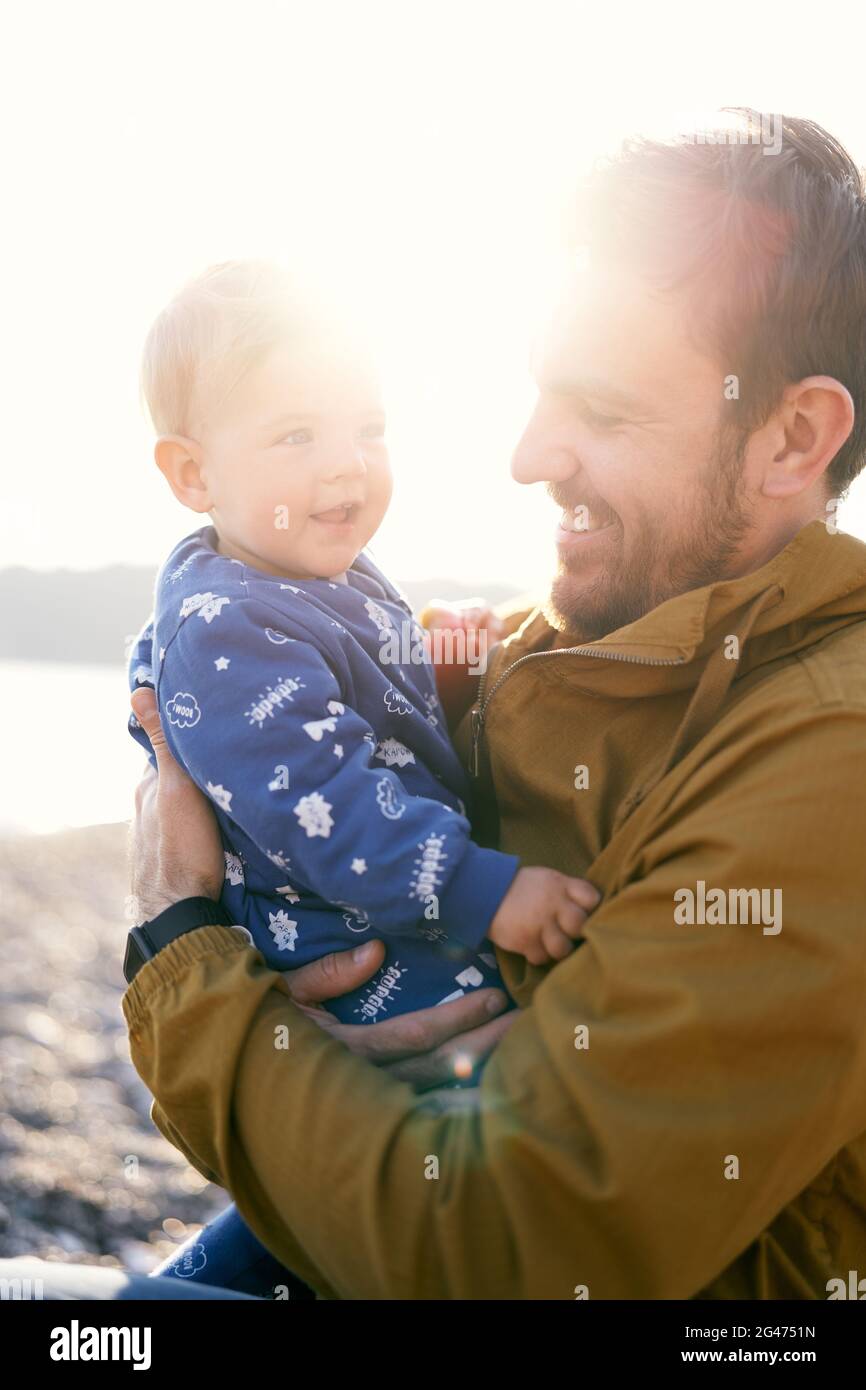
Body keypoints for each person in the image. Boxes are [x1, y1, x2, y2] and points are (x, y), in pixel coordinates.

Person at [10, 106, 866, 1300]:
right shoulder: (577, 635)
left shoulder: (831, 758)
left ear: (793, 437)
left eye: (602, 411)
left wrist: (186, 958)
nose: (525, 456)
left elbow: (501, 1257)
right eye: (539, 395)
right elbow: (350, 700)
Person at [125, 259, 600, 1289]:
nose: (346, 466)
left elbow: (361, 720)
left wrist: (444, 680)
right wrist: (488, 890)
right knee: (439, 1154)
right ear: (193, 474)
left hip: (379, 934)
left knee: (312, 1226)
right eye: (296, 435)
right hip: (364, 954)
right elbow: (327, 808)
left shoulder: (305, 574)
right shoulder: (226, 625)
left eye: (369, 429)